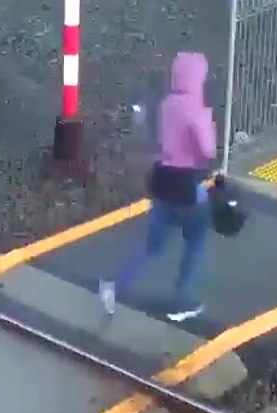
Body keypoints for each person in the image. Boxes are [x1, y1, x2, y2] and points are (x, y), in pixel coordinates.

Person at [100, 51, 217, 322]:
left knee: (151, 247)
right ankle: (181, 297)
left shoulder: (166, 105)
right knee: (196, 241)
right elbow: (208, 151)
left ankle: (115, 286)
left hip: (161, 180)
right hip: (187, 185)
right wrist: (207, 124)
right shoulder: (197, 109)